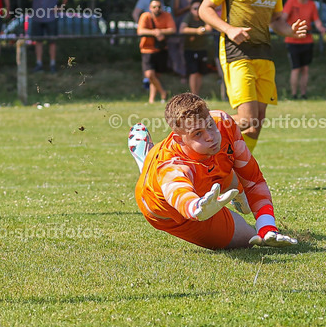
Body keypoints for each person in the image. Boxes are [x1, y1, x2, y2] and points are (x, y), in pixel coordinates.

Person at [127, 93, 298, 250]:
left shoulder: (222, 122)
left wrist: (267, 226)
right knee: (247, 239)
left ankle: (235, 194)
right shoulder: (172, 166)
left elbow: (253, 181)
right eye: (198, 134)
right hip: (171, 211)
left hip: (205, 173)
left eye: (209, 125)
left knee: (224, 166)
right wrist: (196, 208)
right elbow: (179, 194)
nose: (210, 136)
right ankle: (147, 161)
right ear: (180, 140)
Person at [198, 0, 308, 152]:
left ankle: (235, 171)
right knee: (246, 119)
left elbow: (277, 20)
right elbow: (204, 9)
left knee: (255, 125)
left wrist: (291, 32)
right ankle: (191, 127)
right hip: (236, 52)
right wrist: (229, 29)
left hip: (264, 54)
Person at [283, 0, 326, 99]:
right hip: (292, 41)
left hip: (307, 41)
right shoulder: (291, 2)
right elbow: (283, 18)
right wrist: (284, 28)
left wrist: (321, 28)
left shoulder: (311, 4)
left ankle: (303, 94)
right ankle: (293, 94)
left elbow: (316, 20)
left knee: (305, 69)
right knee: (296, 68)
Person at [27, 0, 69, 73]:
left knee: (52, 41)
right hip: (37, 17)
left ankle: (52, 64)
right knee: (38, 41)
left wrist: (61, 7)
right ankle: (39, 64)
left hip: (51, 16)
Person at [137, 0, 175, 103]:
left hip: (161, 49)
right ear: (150, 8)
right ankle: (163, 92)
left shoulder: (166, 15)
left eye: (159, 7)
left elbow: (172, 29)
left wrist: (160, 32)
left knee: (156, 76)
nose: (157, 9)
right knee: (149, 75)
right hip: (147, 50)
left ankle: (151, 100)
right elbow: (140, 31)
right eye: (154, 7)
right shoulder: (145, 16)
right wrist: (155, 32)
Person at [179, 0, 213, 95]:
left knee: (199, 73)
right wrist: (196, 31)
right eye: (194, 8)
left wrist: (202, 29)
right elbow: (182, 29)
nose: (196, 10)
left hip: (202, 48)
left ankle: (197, 94)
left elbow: (209, 28)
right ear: (190, 9)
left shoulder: (204, 16)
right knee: (193, 72)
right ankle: (194, 95)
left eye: (198, 8)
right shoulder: (188, 17)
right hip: (190, 49)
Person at [169, 0, 196, 77]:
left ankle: (191, 70)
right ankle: (180, 71)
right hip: (181, 23)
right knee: (179, 48)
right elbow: (176, 12)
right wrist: (187, 8)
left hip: (192, 23)